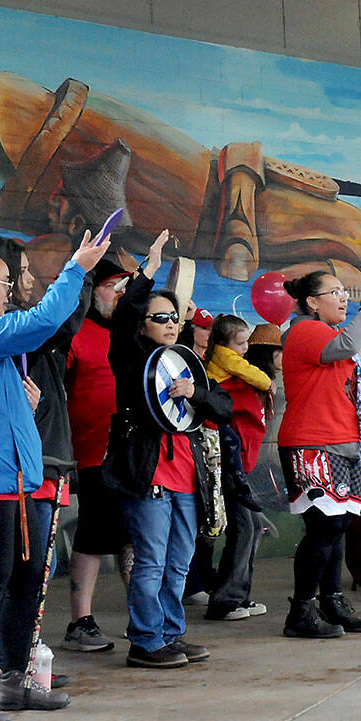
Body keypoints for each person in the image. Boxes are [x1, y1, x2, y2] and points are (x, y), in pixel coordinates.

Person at [0, 230, 106, 721]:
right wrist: (76, 268)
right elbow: (44, 321)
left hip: (16, 479)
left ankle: (13, 676)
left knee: (26, 581)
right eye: (5, 281)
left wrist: (24, 406)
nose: (9, 291)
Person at [101, 231, 235, 668]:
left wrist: (195, 392)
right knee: (152, 561)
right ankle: (145, 640)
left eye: (174, 317)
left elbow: (224, 408)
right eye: (160, 318)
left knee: (180, 560)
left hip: (185, 475)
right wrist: (149, 271)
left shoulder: (185, 362)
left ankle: (170, 635)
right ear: (143, 323)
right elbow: (120, 321)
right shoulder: (131, 355)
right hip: (148, 471)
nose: (171, 324)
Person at [0, 237, 89, 698]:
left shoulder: (23, 331)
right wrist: (80, 272)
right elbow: (57, 322)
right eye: (15, 272)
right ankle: (7, 671)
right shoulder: (0, 331)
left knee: (30, 579)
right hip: (24, 468)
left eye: (24, 271)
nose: (24, 281)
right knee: (11, 581)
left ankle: (19, 663)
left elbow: (61, 326)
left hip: (42, 461)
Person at [276, 265, 361, 638]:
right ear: (312, 302)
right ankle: (302, 611)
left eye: (347, 292)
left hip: (345, 443)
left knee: (339, 524)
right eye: (336, 292)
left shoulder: (341, 339)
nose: (345, 298)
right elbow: (343, 346)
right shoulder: (305, 331)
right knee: (325, 525)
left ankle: (332, 600)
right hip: (312, 441)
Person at [62, 258, 131, 652]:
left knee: (133, 538)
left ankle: (143, 616)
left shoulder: (129, 332)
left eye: (124, 287)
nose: (119, 294)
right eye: (112, 287)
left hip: (131, 455)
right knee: (92, 535)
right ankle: (80, 622)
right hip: (92, 453)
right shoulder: (76, 334)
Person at [203, 314, 270, 621]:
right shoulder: (226, 370)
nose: (244, 350)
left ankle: (236, 595)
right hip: (229, 462)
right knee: (245, 526)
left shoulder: (228, 372)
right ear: (225, 347)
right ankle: (226, 599)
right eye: (240, 344)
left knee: (252, 526)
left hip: (237, 461)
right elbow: (262, 382)